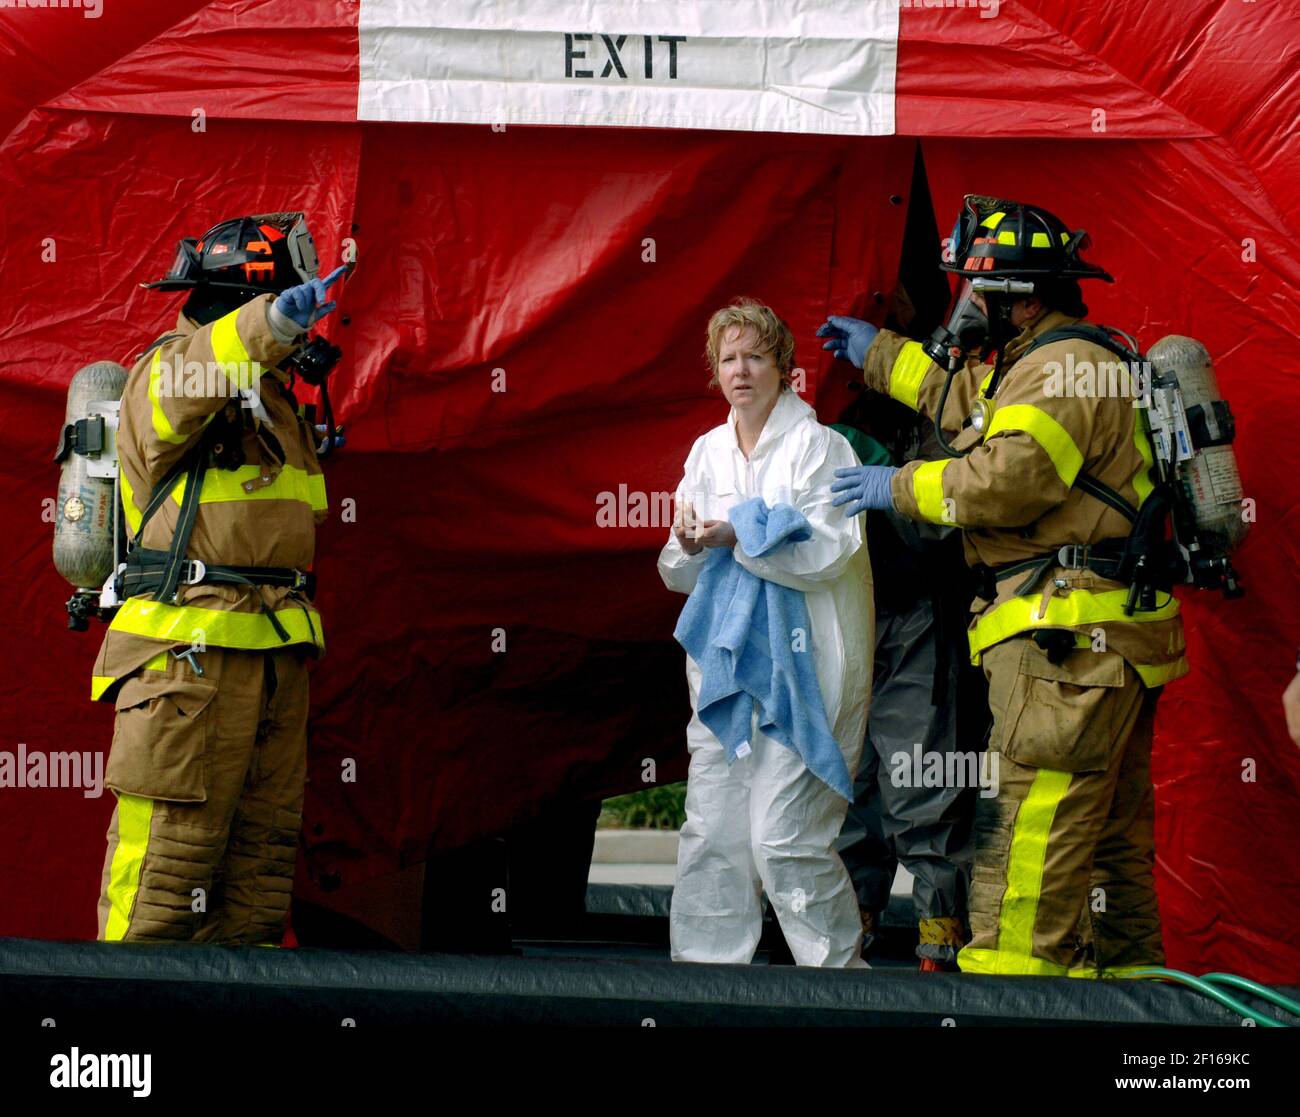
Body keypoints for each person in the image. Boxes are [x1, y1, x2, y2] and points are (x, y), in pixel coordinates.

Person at [819, 195, 1187, 977]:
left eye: (982, 291)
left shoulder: (1060, 369)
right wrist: (879, 353)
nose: (971, 304)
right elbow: (968, 405)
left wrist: (901, 485)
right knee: (1109, 854)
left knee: (1028, 841)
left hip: (1065, 655)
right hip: (1105, 648)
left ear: (1022, 296)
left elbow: (1007, 481)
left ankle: (1015, 1006)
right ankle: (1138, 1015)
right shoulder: (1059, 359)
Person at [93, 212, 347, 944]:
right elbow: (205, 367)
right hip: (186, 666)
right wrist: (271, 321)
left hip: (270, 662)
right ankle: (126, 1043)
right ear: (241, 302)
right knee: (164, 884)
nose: (297, 328)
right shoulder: (170, 372)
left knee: (257, 891)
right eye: (282, 304)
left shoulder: (273, 404)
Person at [658, 298, 873, 967]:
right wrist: (696, 543)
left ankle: (841, 980)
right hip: (726, 671)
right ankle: (705, 977)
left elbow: (830, 549)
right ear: (715, 371)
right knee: (713, 829)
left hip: (808, 673)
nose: (741, 369)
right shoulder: (707, 451)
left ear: (784, 366)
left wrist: (737, 535)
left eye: (755, 355)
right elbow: (676, 568)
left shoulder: (821, 447)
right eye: (728, 358)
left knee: (784, 837)